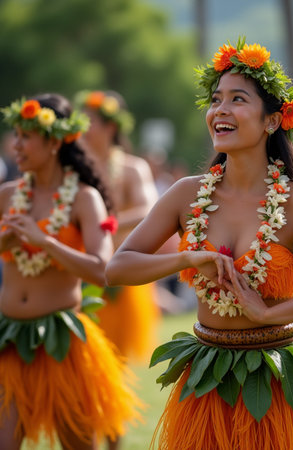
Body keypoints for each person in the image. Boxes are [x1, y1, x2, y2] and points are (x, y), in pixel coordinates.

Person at [106, 38, 293, 450]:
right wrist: (187, 257)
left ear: (272, 121)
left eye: (237, 99)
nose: (220, 110)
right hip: (208, 376)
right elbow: (118, 269)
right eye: (215, 99)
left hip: (279, 378)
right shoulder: (186, 195)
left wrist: (265, 313)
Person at [0, 94, 140, 450]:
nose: (14, 145)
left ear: (53, 142)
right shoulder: (7, 195)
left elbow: (103, 269)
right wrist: (7, 241)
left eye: (24, 136)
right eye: (14, 135)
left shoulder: (83, 198)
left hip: (63, 343)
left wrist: (43, 240)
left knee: (78, 444)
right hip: (11, 342)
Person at [75, 89, 161, 364]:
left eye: (89, 122)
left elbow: (150, 209)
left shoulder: (131, 168)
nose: (82, 130)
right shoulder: (73, 170)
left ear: (110, 126)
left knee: (116, 357)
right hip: (82, 269)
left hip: (121, 274)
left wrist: (106, 225)